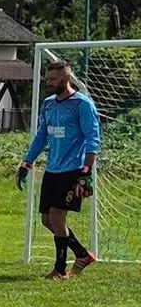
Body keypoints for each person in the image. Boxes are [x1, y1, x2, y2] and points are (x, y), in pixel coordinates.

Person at [18, 57, 101, 279]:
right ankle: (82, 254)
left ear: (66, 77)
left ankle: (59, 268)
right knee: (47, 220)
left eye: (54, 77)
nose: (50, 81)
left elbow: (93, 139)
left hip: (73, 170)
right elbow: (42, 136)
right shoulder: (49, 103)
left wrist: (86, 171)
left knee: (56, 218)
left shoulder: (82, 104)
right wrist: (27, 162)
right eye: (48, 77)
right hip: (52, 170)